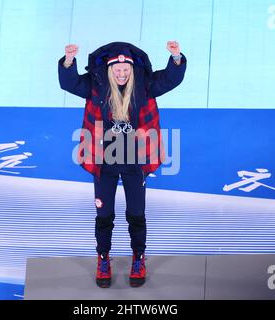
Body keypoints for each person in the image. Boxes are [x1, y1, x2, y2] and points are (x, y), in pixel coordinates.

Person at [58, 41, 186, 288]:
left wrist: (176, 57)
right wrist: (68, 62)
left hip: (134, 160)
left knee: (136, 213)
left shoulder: (144, 85)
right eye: (117, 70)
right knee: (103, 215)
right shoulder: (96, 85)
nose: (121, 73)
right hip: (104, 160)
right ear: (108, 69)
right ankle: (103, 257)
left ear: (132, 69)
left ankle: (139, 257)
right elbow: (69, 83)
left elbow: (170, 79)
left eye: (125, 69)